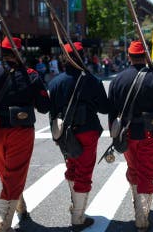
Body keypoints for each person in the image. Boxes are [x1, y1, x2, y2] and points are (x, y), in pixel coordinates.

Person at [0, 37, 50, 232]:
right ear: (19, 52)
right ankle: (3, 225)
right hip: (20, 132)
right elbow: (44, 107)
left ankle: (20, 206)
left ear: (0, 52)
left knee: (8, 174)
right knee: (13, 175)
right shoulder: (30, 75)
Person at [107, 41, 153, 232]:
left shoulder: (118, 79)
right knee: (147, 170)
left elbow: (112, 111)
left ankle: (139, 206)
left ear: (129, 56)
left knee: (133, 167)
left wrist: (114, 134)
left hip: (126, 133)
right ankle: (142, 217)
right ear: (145, 56)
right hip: (149, 132)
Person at [47, 42, 109, 230]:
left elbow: (52, 112)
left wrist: (57, 136)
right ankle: (78, 217)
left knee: (72, 169)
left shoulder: (55, 82)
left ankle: (77, 206)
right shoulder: (92, 80)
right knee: (84, 172)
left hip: (65, 134)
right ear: (82, 56)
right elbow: (104, 108)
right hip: (87, 131)